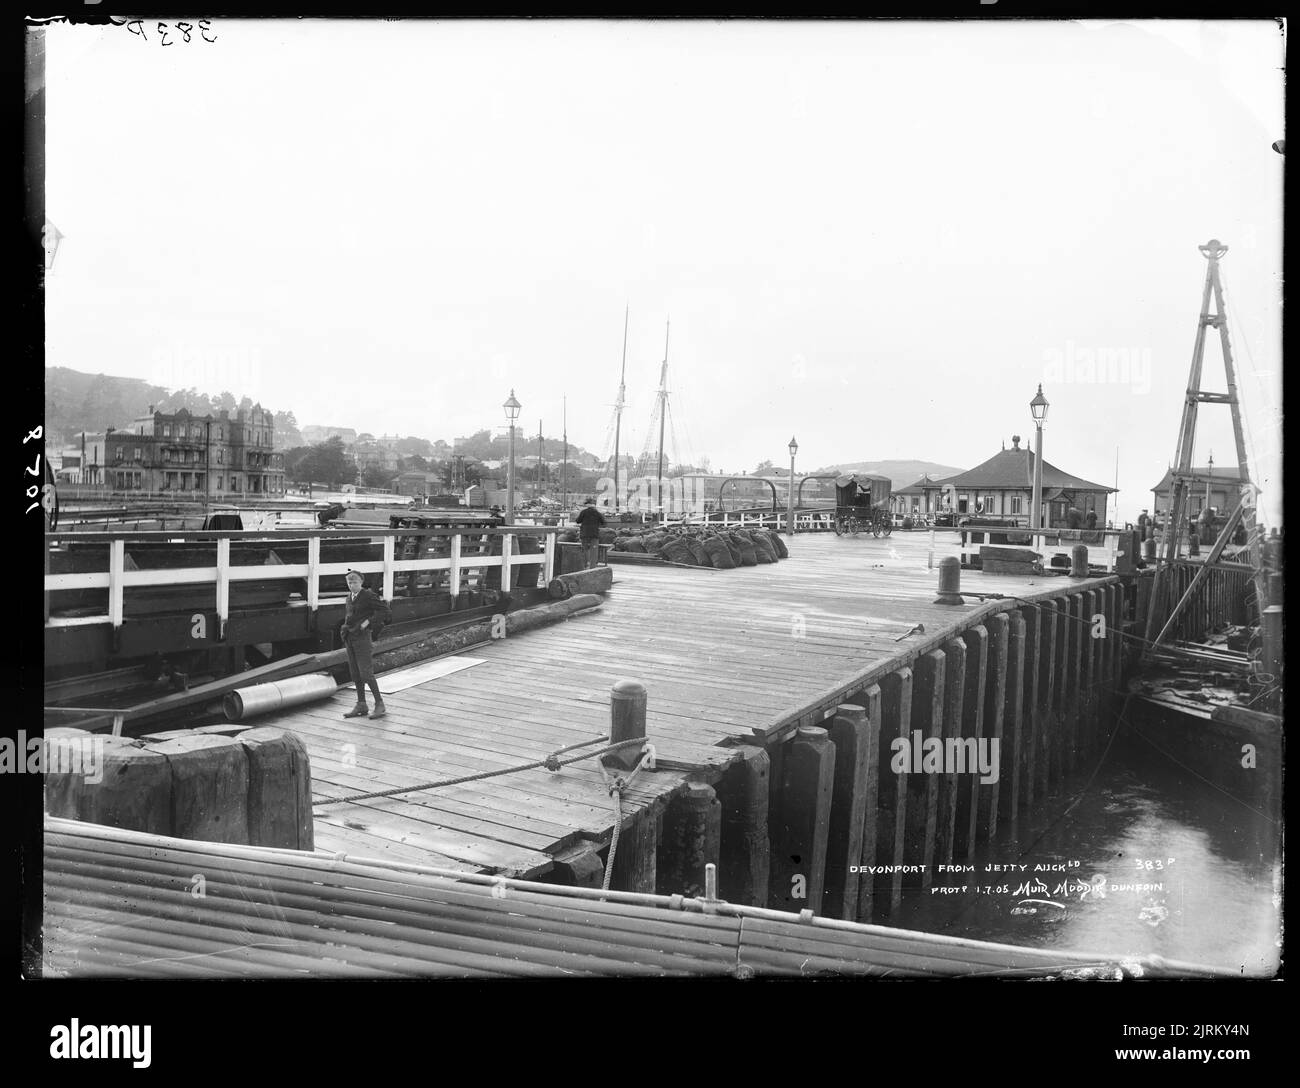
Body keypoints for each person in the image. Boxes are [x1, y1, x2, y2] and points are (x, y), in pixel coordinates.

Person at [340, 570, 392, 720]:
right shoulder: (349, 598)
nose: (352, 585)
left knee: (366, 673)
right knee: (355, 673)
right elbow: (349, 616)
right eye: (349, 582)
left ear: (361, 582)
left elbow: (384, 611)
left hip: (362, 638)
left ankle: (379, 704)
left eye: (355, 582)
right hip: (350, 637)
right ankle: (361, 704)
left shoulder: (368, 595)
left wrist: (366, 623)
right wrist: (345, 629)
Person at [574, 497, 606, 569]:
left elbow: (578, 521)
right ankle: (592, 567)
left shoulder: (583, 512)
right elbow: (603, 522)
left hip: (584, 534)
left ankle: (584, 566)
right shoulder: (597, 513)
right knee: (593, 552)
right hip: (594, 534)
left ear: (586, 505)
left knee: (585, 550)